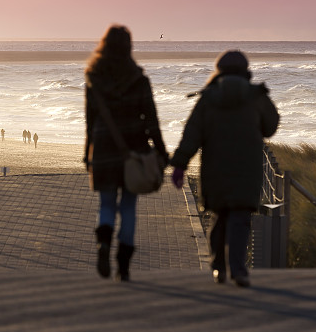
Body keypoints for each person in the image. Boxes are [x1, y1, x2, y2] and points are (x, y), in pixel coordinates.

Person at [170, 50, 279, 288]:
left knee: (220, 217)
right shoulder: (256, 96)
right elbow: (270, 127)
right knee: (240, 219)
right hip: (247, 171)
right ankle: (238, 270)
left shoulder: (208, 98)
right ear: (245, 70)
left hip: (215, 170)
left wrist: (179, 165)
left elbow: (191, 135)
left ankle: (218, 267)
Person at [84, 24, 168, 282]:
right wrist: (161, 151)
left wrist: (87, 152)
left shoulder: (94, 78)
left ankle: (103, 244)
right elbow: (151, 119)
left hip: (104, 149)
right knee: (129, 206)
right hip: (134, 149)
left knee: (106, 203)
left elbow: (90, 120)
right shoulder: (139, 80)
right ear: (129, 48)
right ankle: (123, 265)